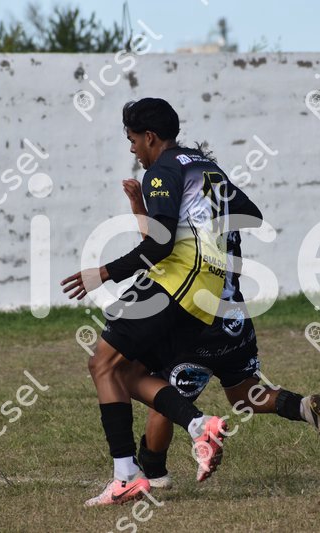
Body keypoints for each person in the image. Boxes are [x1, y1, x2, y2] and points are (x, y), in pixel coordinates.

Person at [61, 98, 247, 506]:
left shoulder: (162, 169)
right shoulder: (205, 166)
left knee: (101, 364)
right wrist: (149, 211)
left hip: (177, 280)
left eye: (132, 140)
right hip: (207, 290)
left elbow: (160, 246)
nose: (132, 149)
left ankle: (128, 474)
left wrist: (103, 273)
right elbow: (248, 212)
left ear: (149, 136)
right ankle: (196, 427)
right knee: (126, 372)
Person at [117, 178, 320, 489]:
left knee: (164, 397)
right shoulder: (225, 210)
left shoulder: (186, 216)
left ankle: (154, 475)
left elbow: (157, 249)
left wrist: (137, 206)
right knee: (244, 395)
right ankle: (303, 407)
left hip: (199, 324)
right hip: (235, 320)